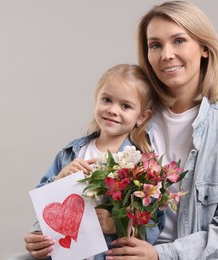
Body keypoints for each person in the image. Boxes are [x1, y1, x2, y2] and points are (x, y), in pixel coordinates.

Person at [103, 1, 218, 260]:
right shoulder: (131, 117)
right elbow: (84, 180)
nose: (166, 54)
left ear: (204, 48)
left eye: (179, 41)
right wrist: (43, 235)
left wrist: (163, 255)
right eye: (155, 45)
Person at [22, 64, 164, 260]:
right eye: (106, 100)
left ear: (142, 116)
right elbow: (44, 205)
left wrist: (117, 224)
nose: (113, 110)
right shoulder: (71, 153)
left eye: (125, 106)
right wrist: (60, 179)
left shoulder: (141, 167)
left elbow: (154, 222)